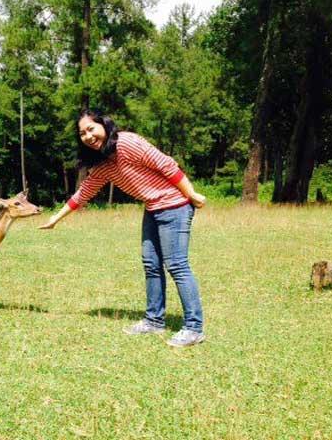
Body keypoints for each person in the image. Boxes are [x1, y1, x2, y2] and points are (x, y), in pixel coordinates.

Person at [39, 109, 207, 347]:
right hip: (153, 208)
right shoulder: (103, 162)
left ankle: (194, 328)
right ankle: (154, 321)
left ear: (104, 125)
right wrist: (56, 218)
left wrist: (192, 194)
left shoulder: (128, 143)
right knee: (151, 265)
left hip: (174, 206)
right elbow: (84, 192)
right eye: (82, 133)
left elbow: (167, 165)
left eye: (91, 128)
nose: (87, 136)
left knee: (177, 265)